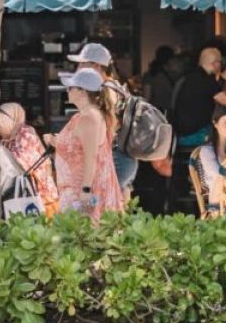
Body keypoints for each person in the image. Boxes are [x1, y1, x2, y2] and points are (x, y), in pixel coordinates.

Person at [43, 68, 123, 222]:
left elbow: (91, 157)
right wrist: (56, 141)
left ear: (82, 91)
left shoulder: (89, 117)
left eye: (70, 87)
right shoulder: (84, 116)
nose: (67, 90)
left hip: (82, 189)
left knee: (83, 229)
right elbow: (78, 147)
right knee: (80, 230)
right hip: (76, 188)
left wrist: (86, 190)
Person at [67, 43, 138, 203]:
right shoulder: (116, 86)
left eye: (82, 64)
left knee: (102, 211)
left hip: (115, 157)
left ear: (97, 66)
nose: (78, 69)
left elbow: (106, 127)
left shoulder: (107, 90)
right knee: (118, 210)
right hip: (124, 158)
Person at [168, 47, 226, 213]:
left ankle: (213, 180)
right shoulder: (206, 81)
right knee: (224, 130)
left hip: (180, 134)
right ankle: (224, 181)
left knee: (220, 126)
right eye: (220, 62)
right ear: (215, 64)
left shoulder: (190, 78)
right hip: (193, 135)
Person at [0, 103, 59, 217]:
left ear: (11, 120)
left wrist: (2, 151)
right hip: (21, 195)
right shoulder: (6, 141)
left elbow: (26, 163)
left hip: (41, 195)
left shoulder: (25, 133)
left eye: (0, 123)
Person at [142, 45, 178, 114]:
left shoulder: (150, 74)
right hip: (172, 112)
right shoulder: (176, 75)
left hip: (156, 113)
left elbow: (147, 98)